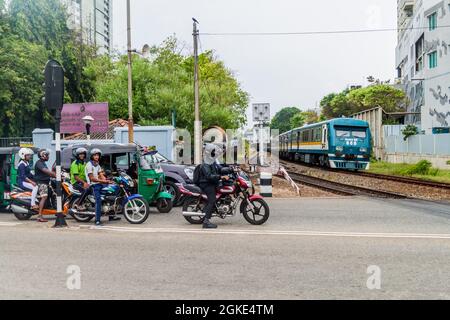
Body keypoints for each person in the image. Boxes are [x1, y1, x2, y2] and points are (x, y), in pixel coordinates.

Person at [197, 143, 230, 229]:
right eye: (214, 152)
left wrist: (231, 169)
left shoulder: (212, 161)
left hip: (211, 182)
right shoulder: (205, 164)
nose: (216, 153)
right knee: (212, 200)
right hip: (206, 183)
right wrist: (221, 177)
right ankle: (206, 222)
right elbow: (208, 176)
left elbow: (219, 168)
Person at [84, 148, 119, 226]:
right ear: (92, 156)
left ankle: (111, 216)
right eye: (95, 155)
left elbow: (101, 175)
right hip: (93, 185)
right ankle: (97, 220)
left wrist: (108, 181)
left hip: (99, 184)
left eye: (98, 155)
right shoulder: (89, 165)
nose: (96, 157)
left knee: (111, 192)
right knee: (98, 200)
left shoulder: (97, 164)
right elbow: (92, 178)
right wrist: (104, 181)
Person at [34, 149, 56, 223]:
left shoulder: (43, 163)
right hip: (41, 183)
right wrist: (56, 175)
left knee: (53, 194)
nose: (48, 157)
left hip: (46, 182)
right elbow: (46, 171)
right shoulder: (39, 163)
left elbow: (48, 171)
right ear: (43, 155)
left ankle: (56, 210)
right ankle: (39, 216)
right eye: (47, 155)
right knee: (44, 197)